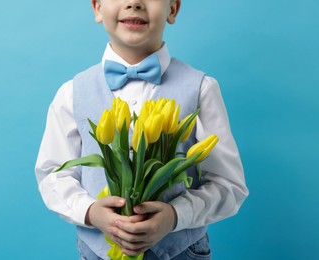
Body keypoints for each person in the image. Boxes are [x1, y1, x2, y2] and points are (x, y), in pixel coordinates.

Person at [35, 0, 249, 259]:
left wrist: (174, 216)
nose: (134, 2)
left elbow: (229, 185)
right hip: (98, 252)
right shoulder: (71, 93)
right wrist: (90, 211)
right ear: (97, 8)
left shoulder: (201, 89)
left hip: (180, 252)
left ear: (172, 9)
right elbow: (52, 175)